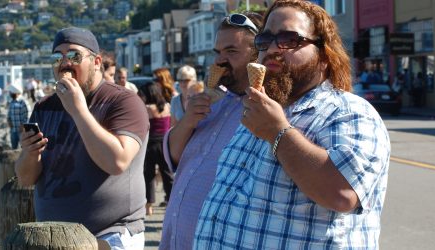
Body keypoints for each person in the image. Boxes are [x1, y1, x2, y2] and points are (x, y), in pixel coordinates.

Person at [194, 1, 390, 249]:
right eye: (265, 39)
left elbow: (342, 194)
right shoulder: (258, 111)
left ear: (324, 54)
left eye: (289, 38)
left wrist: (278, 132)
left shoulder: (349, 112)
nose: (273, 48)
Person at [14, 27, 149, 249]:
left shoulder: (124, 102)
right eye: (57, 57)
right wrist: (30, 153)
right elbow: (26, 179)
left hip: (110, 234)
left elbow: (117, 162)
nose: (65, 63)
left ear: (96, 62)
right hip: (54, 237)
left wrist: (79, 111)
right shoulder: (44, 107)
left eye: (74, 55)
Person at [159, 12, 263, 250]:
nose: (220, 61)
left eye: (232, 51)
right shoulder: (213, 101)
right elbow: (173, 158)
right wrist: (188, 120)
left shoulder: (263, 112)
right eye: (218, 52)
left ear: (259, 54)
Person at [137, 82, 173, 216]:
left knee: (149, 175)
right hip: (165, 143)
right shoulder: (168, 106)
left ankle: (149, 206)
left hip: (150, 144)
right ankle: (170, 200)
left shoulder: (147, 108)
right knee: (167, 174)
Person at [7, 82, 29, 149]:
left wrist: (24, 125)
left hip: (22, 131)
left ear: (15, 92)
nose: (10, 94)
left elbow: (28, 115)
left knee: (24, 148)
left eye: (11, 92)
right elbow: (9, 114)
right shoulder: (11, 102)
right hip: (13, 130)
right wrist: (9, 121)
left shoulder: (23, 101)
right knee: (14, 148)